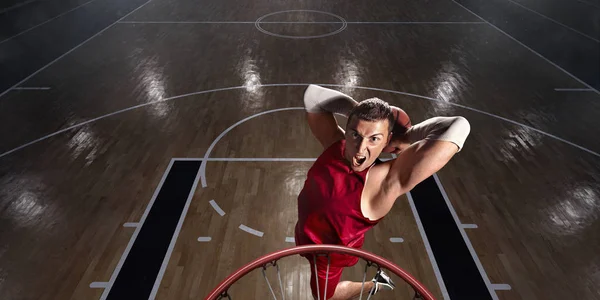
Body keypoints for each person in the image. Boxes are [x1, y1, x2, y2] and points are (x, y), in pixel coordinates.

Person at [295, 85, 471, 299]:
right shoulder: (336, 144)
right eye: (356, 134)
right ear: (348, 129)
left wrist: (407, 137)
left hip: (328, 258)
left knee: (325, 298)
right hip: (304, 235)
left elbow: (459, 126)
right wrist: (358, 109)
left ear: (387, 141)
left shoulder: (387, 182)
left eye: (374, 139)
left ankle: (373, 284)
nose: (361, 149)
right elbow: (312, 94)